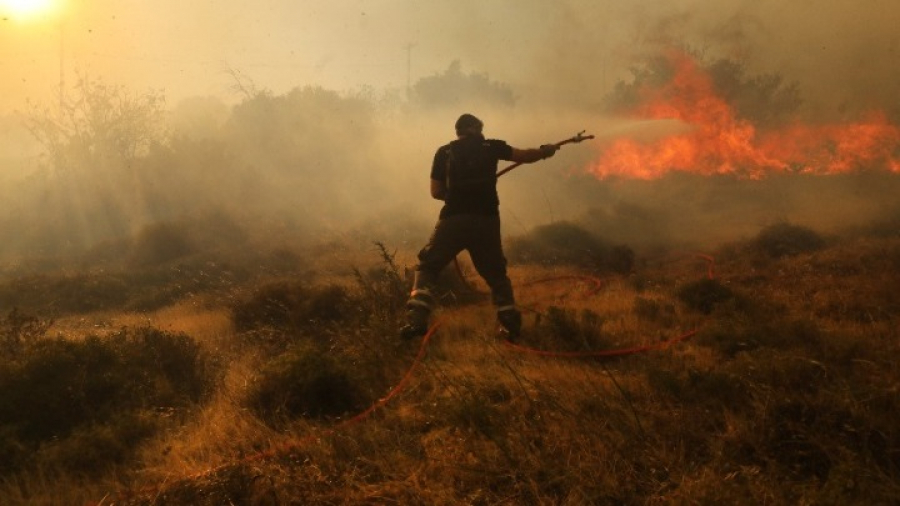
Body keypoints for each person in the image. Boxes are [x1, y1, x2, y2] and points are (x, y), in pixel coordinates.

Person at [400, 113, 559, 340]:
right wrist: (546, 151)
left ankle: (416, 321)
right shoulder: (491, 146)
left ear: (458, 131)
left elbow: (436, 192)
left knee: (428, 267)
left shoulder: (444, 152)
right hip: (486, 220)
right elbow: (524, 156)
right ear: (475, 129)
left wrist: (455, 196)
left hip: (453, 220)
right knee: (496, 274)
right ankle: (510, 326)